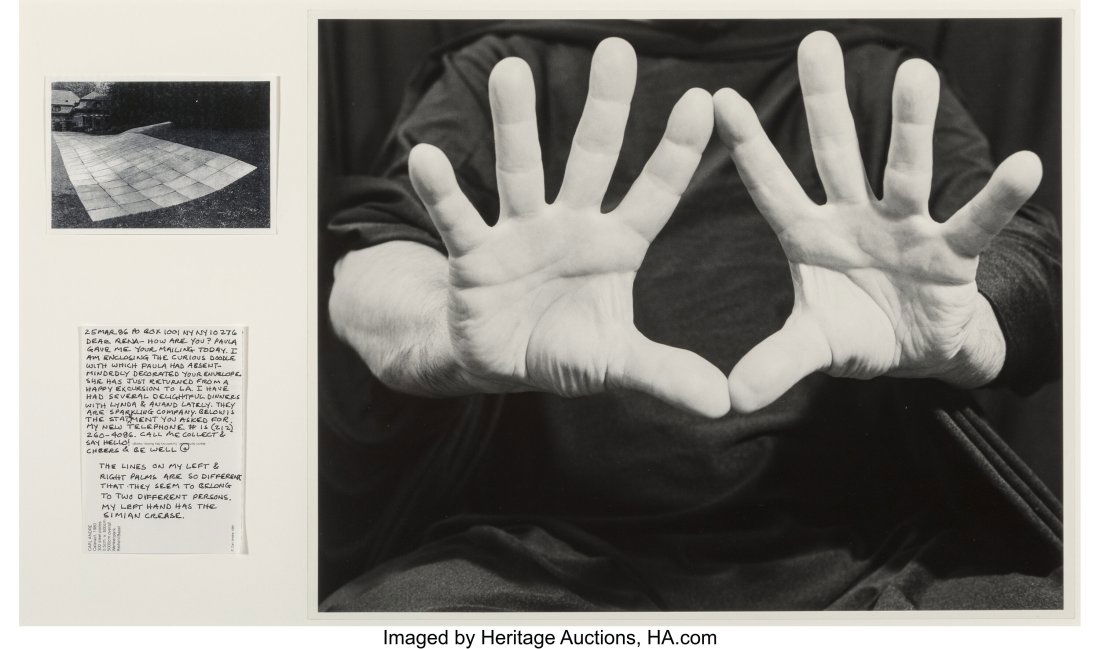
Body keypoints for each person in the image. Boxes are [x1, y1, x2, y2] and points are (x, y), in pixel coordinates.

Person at [320, 21, 1062, 610]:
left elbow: (1024, 253)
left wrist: (974, 322)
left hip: (880, 558)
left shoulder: (870, 74)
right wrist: (446, 331)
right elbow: (374, 254)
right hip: (535, 557)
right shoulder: (505, 67)